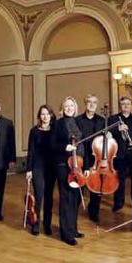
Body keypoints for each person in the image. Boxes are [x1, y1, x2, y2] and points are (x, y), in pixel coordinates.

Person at [52, 96, 86, 246]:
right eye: (66, 106)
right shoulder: (58, 124)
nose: (69, 108)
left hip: (78, 165)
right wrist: (63, 147)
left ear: (75, 107)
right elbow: (52, 144)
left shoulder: (77, 122)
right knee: (66, 198)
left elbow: (84, 143)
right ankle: (66, 234)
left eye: (71, 106)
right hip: (63, 165)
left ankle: (73, 229)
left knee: (76, 198)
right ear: (62, 108)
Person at [25, 105, 55, 236]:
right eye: (42, 114)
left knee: (49, 197)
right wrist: (29, 169)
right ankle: (36, 223)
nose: (45, 116)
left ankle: (47, 224)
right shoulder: (34, 131)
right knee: (38, 196)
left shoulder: (55, 130)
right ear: (39, 116)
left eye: (47, 114)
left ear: (51, 115)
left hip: (51, 167)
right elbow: (31, 151)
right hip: (37, 166)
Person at [75, 93, 104, 223]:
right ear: (85, 104)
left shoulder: (102, 120)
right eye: (89, 102)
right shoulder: (78, 120)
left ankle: (94, 212)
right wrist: (85, 165)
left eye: (94, 102)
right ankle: (74, 210)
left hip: (97, 159)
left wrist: (108, 135)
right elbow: (79, 142)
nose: (92, 104)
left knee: (97, 187)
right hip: (82, 157)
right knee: (79, 186)